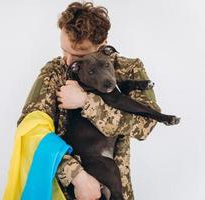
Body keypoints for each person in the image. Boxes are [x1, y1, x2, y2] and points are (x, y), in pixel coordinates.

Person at [16, 2, 161, 200]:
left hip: (117, 189)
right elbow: (32, 130)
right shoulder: (54, 72)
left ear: (103, 44)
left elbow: (146, 125)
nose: (67, 61)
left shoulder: (130, 68)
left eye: (78, 56)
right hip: (64, 189)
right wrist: (78, 177)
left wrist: (87, 102)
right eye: (64, 50)